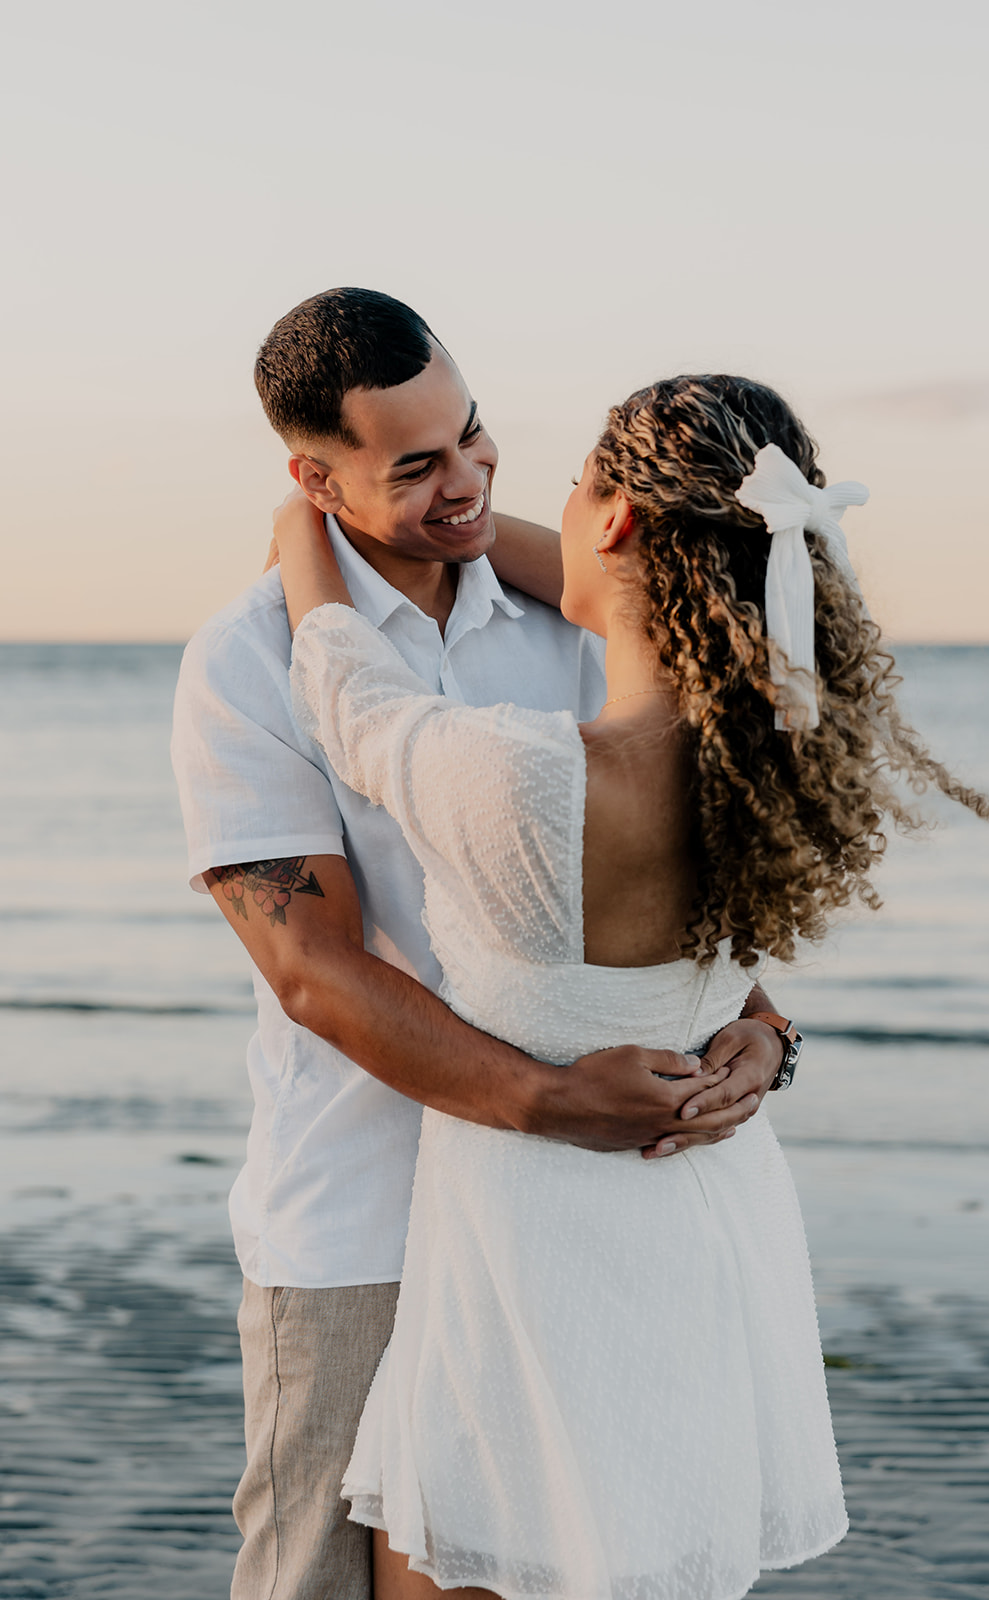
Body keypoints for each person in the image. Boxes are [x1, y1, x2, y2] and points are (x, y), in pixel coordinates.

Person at [271, 370, 989, 1600]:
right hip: (703, 1232)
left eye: (566, 488)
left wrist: (306, 517)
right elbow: (734, 986)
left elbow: (348, 693)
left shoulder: (524, 775)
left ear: (610, 522)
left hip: (533, 1252)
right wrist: (768, 1039)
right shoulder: (769, 760)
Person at [171, 290, 787, 1600]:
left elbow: (669, 869)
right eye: (414, 465)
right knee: (314, 1581)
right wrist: (547, 1101)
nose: (465, 483)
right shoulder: (248, 658)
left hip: (574, 1221)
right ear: (313, 474)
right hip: (365, 1219)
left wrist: (759, 1026)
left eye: (473, 436)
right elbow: (310, 971)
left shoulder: (576, 620)